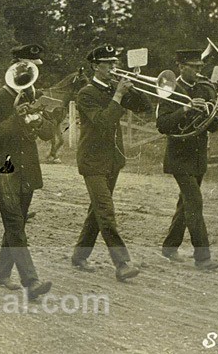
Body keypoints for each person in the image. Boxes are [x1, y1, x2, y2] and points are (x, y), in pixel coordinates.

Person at [71, 45, 151, 281]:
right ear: (96, 66)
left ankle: (79, 255)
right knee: (105, 211)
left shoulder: (114, 90)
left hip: (113, 160)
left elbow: (145, 108)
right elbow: (103, 122)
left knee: (97, 210)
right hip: (92, 161)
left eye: (115, 63)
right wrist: (118, 95)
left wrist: (133, 87)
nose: (114, 68)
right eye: (109, 64)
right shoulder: (86, 93)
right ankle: (122, 263)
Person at [0, 43, 54, 299]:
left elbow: (48, 133)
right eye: (29, 66)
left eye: (36, 66)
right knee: (15, 223)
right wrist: (15, 118)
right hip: (6, 166)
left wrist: (40, 119)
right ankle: (31, 281)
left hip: (28, 167)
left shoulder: (36, 95)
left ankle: (1, 273)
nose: (34, 70)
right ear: (16, 66)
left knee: (17, 223)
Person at [157, 49, 218, 271]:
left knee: (186, 203)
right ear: (181, 67)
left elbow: (213, 127)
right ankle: (202, 258)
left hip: (198, 156)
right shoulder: (168, 89)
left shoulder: (206, 89)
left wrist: (216, 113)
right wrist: (185, 108)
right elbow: (162, 125)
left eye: (199, 67)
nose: (198, 71)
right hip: (179, 156)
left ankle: (169, 247)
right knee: (194, 202)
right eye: (194, 67)